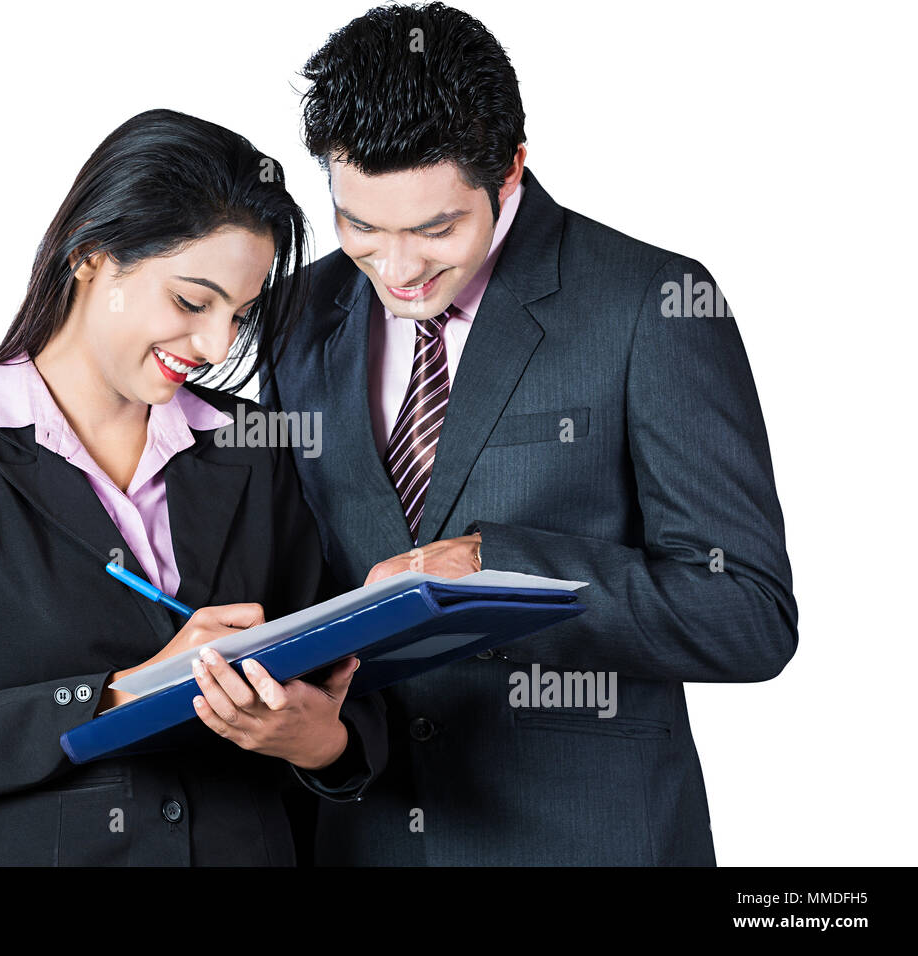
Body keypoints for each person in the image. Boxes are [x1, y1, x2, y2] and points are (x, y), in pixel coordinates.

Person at [261, 2, 798, 865]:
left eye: (436, 229)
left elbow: (747, 615)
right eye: (361, 226)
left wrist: (490, 566)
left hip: (586, 842)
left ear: (510, 169)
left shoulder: (649, 304)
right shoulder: (295, 316)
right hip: (364, 837)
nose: (396, 269)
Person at [0, 108, 386, 866]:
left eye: (240, 316)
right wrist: (128, 693)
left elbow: (345, 688)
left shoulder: (252, 443)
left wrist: (321, 740)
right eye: (192, 302)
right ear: (92, 258)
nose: (214, 346)